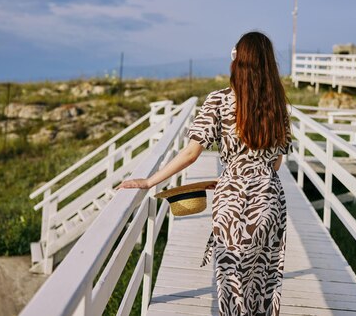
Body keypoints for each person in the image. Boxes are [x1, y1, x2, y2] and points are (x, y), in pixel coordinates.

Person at [117, 30, 292, 316]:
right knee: (263, 280)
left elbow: (191, 153)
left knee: (232, 280)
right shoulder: (277, 104)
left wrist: (149, 181)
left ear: (238, 61)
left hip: (232, 200)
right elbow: (276, 164)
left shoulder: (220, 100)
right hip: (270, 200)